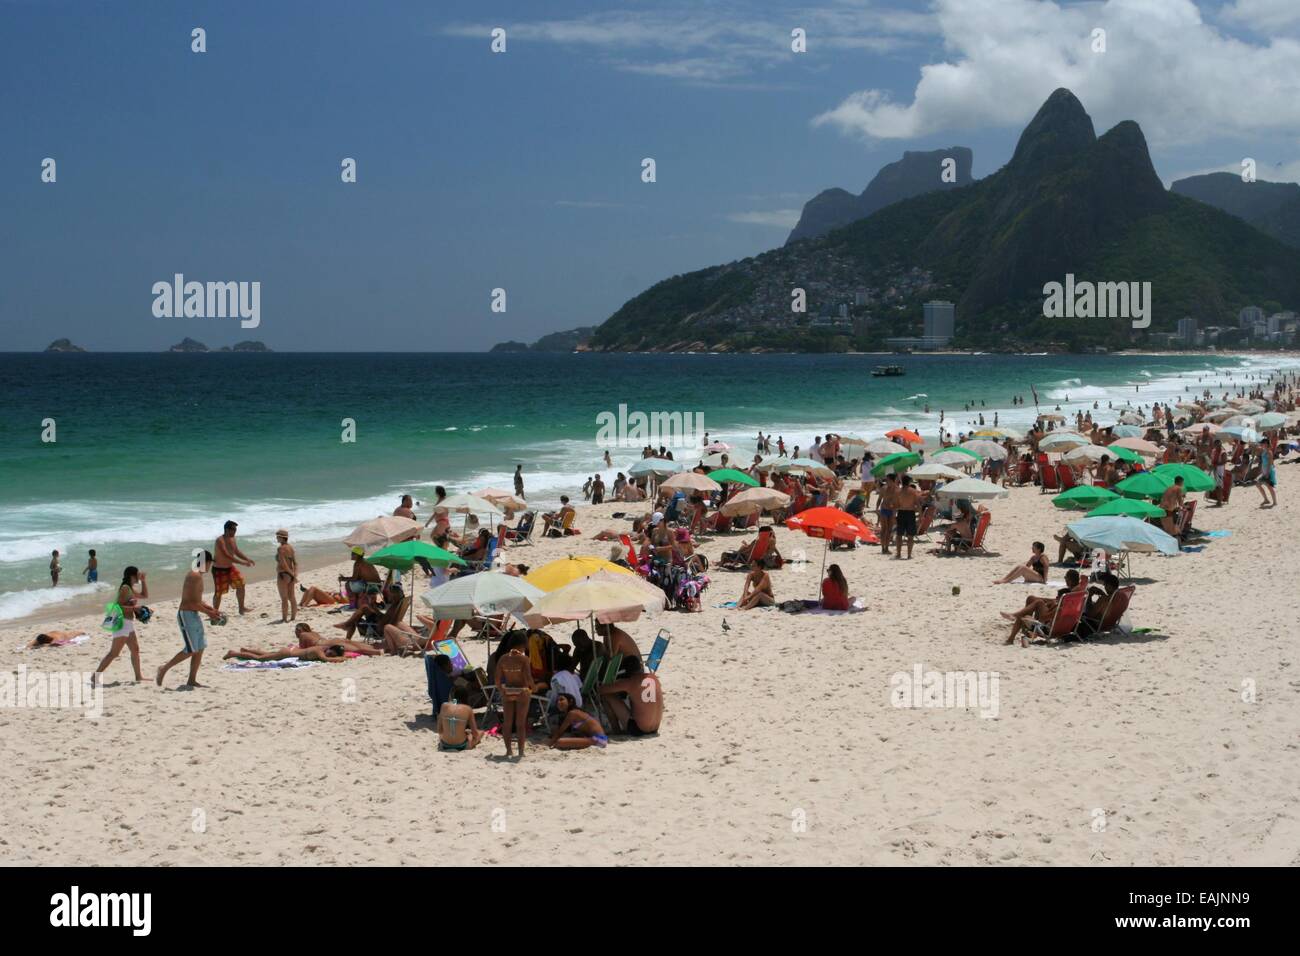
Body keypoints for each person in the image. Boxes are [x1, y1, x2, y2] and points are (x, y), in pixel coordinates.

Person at [156, 551, 222, 689]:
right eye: (210, 563)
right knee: (191, 649)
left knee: (200, 648)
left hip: (193, 614)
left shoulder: (197, 575)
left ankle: (191, 680)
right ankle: (164, 668)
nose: (210, 566)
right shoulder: (195, 576)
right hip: (186, 615)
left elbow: (196, 600)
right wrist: (209, 613)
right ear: (206, 562)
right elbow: (190, 603)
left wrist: (210, 609)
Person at [1000, 569, 1084, 646]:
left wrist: (1048, 605)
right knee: (1031, 598)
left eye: (1065, 577)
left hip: (1048, 629)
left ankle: (1011, 637)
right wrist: (1052, 603)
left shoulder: (1060, 608)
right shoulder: (1072, 601)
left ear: (1069, 580)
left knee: (1025, 614)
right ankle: (1025, 630)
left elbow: (1043, 618)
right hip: (1063, 626)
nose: (1065, 579)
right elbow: (1056, 606)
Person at [95, 566, 149, 684]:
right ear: (132, 575)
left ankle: (138, 676)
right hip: (122, 622)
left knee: (135, 649)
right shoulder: (125, 588)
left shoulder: (130, 589)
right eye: (138, 574)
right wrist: (135, 607)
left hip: (128, 623)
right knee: (114, 653)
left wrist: (144, 581)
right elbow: (117, 606)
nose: (140, 575)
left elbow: (145, 595)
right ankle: (95, 676)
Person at [493, 632, 535, 758]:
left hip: (508, 691)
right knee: (520, 724)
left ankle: (508, 751)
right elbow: (528, 679)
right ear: (524, 644)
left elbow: (497, 680)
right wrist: (535, 687)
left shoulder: (503, 658)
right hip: (522, 691)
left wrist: (502, 690)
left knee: (507, 723)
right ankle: (521, 752)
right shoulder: (524, 659)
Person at [599, 670, 663, 736]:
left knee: (607, 695)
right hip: (655, 728)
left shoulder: (632, 681)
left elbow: (601, 690)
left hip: (638, 730)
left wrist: (618, 682)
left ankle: (616, 730)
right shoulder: (654, 678)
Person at [212, 520, 255, 615]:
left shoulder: (232, 538)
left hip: (230, 568)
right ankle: (214, 612)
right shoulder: (220, 540)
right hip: (219, 569)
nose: (235, 532)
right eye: (234, 530)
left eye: (236, 530)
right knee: (219, 593)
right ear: (227, 530)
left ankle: (241, 608)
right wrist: (242, 563)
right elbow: (227, 555)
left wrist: (247, 559)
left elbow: (236, 551)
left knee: (241, 584)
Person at [893, 475, 923, 560]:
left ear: (902, 482)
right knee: (910, 536)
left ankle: (898, 554)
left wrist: (893, 516)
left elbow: (896, 505)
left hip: (901, 513)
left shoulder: (898, 492)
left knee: (899, 535)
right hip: (910, 513)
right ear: (909, 482)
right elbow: (918, 504)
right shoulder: (913, 491)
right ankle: (909, 555)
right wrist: (920, 516)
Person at [274, 529, 298, 623]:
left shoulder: (280, 549)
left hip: (283, 575)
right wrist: (294, 574)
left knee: (284, 598)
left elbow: (284, 564)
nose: (276, 538)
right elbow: (295, 563)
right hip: (290, 575)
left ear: (282, 538)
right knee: (292, 597)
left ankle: (284, 618)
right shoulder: (290, 548)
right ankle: (293, 617)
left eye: (277, 536)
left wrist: (293, 575)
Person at [1257, 440, 1278, 507]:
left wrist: (1267, 473)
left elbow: (1270, 463)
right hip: (1264, 470)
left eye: (1262, 443)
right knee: (1258, 484)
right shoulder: (1264, 451)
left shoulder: (1269, 452)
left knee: (1269, 487)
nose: (1261, 444)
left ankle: (1275, 502)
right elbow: (1257, 449)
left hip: (1269, 471)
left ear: (1266, 444)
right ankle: (1266, 499)